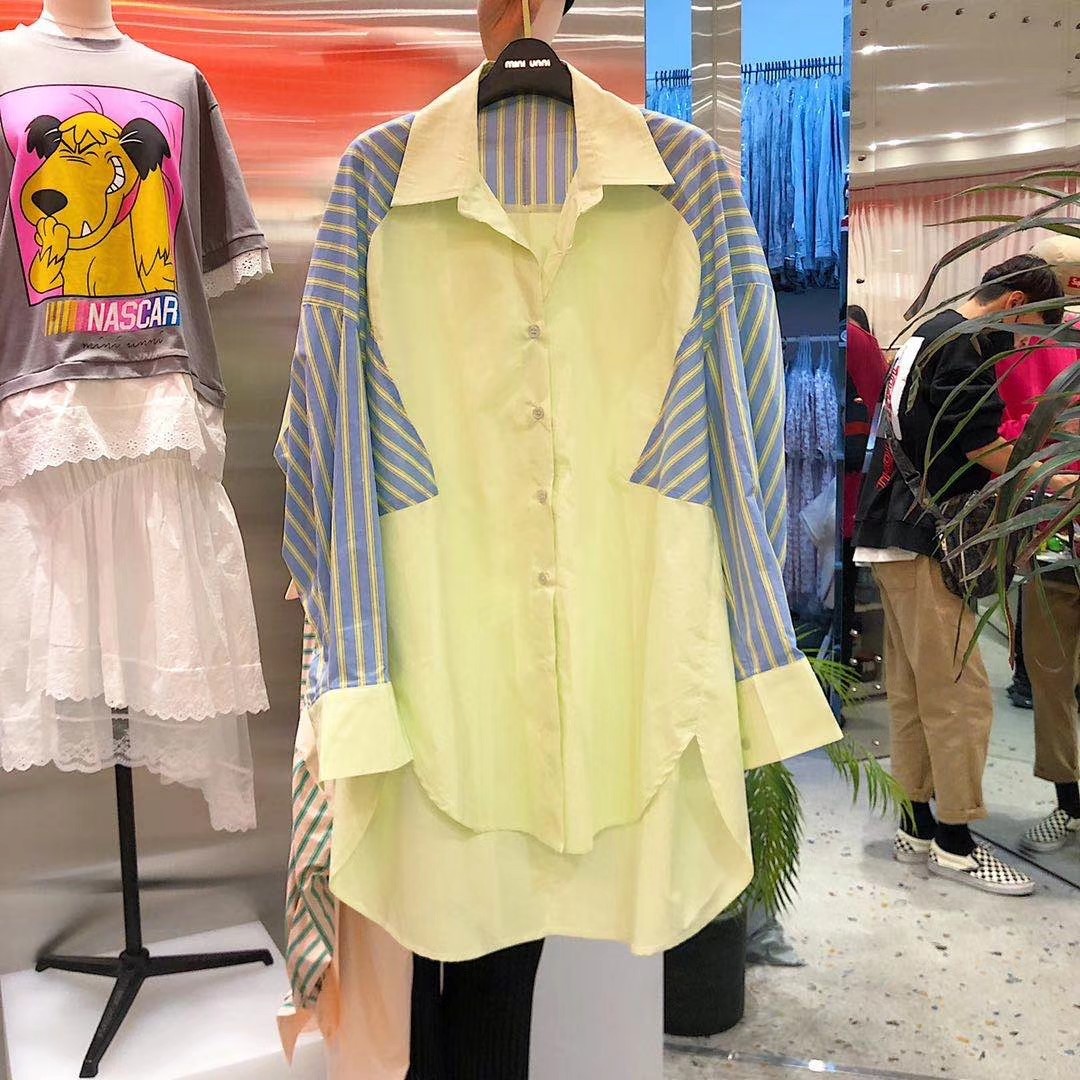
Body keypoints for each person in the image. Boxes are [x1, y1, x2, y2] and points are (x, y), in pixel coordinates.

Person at [854, 254, 1066, 897]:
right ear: (1015, 304)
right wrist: (1054, 481)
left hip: (892, 531)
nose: (1023, 349)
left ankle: (917, 826)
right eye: (1029, 334)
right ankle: (956, 843)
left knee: (914, 690)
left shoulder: (924, 334)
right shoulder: (965, 346)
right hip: (928, 540)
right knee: (960, 695)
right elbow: (980, 446)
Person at [1006, 237, 1080, 855]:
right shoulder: (1026, 343)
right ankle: (1069, 803)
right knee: (1051, 675)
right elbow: (1012, 427)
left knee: (1052, 675)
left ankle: (1069, 803)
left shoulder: (1027, 341)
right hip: (1049, 528)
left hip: (1047, 524)